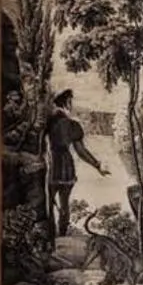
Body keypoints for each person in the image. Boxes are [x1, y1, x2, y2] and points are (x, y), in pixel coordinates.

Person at [44, 90, 108, 237]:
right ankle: (62, 236)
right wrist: (97, 165)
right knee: (64, 204)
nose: (72, 105)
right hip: (66, 167)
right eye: (70, 102)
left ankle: (50, 238)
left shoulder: (48, 122)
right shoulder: (72, 125)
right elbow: (81, 151)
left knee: (48, 204)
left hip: (52, 164)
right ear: (67, 103)